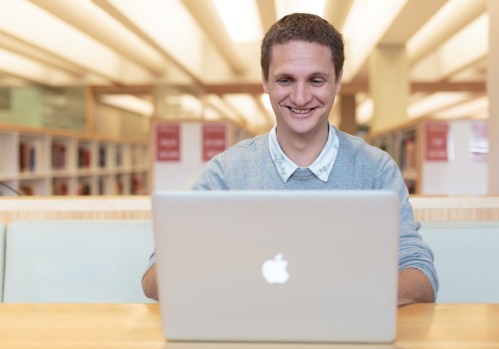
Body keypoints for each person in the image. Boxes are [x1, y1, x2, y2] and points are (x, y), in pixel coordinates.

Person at [142, 13, 438, 305]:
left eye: (316, 80)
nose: (299, 97)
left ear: (337, 81)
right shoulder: (227, 173)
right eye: (285, 80)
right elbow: (154, 279)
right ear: (265, 81)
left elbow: (421, 275)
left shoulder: (375, 169)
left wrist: (331, 298)